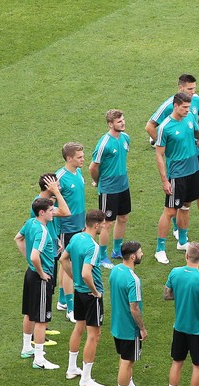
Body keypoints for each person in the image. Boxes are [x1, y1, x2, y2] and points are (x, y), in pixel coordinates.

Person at [146, 74, 199, 239]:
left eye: (194, 89)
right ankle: (177, 230)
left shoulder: (195, 100)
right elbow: (149, 127)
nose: (193, 92)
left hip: (194, 155)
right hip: (178, 160)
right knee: (178, 200)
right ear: (180, 88)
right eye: (190, 89)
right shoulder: (169, 106)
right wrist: (168, 145)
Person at [153, 92, 199, 265]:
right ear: (175, 106)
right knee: (170, 211)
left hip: (193, 169)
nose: (187, 110)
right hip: (177, 174)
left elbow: (196, 136)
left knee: (186, 206)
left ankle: (182, 242)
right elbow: (159, 155)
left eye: (188, 107)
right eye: (184, 107)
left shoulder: (191, 117)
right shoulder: (165, 127)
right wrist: (165, 180)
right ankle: (160, 249)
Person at [59, 209, 109, 386]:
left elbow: (64, 259)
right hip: (89, 295)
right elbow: (87, 273)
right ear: (96, 225)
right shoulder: (93, 247)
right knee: (94, 335)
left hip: (79, 292)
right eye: (102, 224)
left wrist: (73, 277)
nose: (104, 226)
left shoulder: (76, 238)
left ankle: (72, 368)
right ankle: (86, 378)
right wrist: (95, 292)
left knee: (78, 328)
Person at [21, 174, 70, 354]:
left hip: (46, 255)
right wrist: (57, 192)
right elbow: (66, 212)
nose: (59, 184)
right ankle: (38, 338)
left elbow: (19, 238)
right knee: (39, 304)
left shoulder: (44, 205)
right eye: (56, 182)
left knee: (43, 298)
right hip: (44, 259)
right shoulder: (42, 204)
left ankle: (40, 329)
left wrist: (55, 238)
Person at [164, 242, 199, 386]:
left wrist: (182, 295)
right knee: (198, 366)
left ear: (186, 256)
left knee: (177, 362)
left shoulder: (175, 272)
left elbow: (167, 295)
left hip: (179, 327)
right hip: (197, 331)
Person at [15, 197, 60, 370]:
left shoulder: (30, 223)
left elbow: (18, 238)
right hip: (41, 277)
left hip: (30, 274)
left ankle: (27, 348)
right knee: (41, 319)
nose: (53, 212)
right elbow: (35, 256)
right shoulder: (42, 231)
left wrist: (30, 262)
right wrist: (42, 273)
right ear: (42, 212)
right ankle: (39, 359)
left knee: (29, 312)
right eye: (51, 210)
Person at [90, 109, 132, 270]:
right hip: (109, 189)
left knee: (123, 218)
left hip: (123, 186)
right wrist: (97, 181)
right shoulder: (104, 144)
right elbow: (93, 167)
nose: (123, 123)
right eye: (119, 121)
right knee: (107, 223)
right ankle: (101, 256)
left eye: (123, 120)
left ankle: (116, 250)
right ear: (110, 124)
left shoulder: (125, 138)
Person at [109, 241, 146, 386]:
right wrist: (142, 328)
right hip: (129, 328)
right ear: (133, 256)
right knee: (127, 361)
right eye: (140, 252)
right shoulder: (133, 279)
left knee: (123, 357)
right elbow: (134, 308)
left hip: (117, 324)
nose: (142, 254)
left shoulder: (115, 270)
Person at [56, 142, 87, 323]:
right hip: (66, 228)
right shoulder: (60, 177)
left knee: (64, 263)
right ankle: (71, 308)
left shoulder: (79, 172)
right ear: (69, 158)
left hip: (78, 225)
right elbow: (51, 203)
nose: (83, 159)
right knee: (70, 266)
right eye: (79, 157)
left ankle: (62, 300)